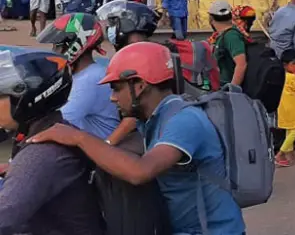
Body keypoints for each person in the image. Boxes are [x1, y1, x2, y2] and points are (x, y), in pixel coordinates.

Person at [28, 42, 246, 234]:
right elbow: (120, 156)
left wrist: (78, 138)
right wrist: (32, 167)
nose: (112, 98)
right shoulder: (154, 119)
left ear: (140, 86)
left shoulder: (184, 120)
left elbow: (139, 171)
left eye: (116, 89)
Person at [0, 49, 106, 234]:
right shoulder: (54, 128)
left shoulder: (40, 154)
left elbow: (4, 219)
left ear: (26, 101)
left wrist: (22, 169)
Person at [37, 13, 137, 144]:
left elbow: (57, 123)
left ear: (75, 44)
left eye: (58, 46)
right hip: (88, 145)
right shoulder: (83, 74)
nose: (55, 50)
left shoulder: (90, 79)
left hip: (95, 150)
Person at [209, 0, 249, 86]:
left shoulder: (231, 36)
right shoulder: (222, 36)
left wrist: (232, 90)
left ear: (211, 19)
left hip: (226, 90)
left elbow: (241, 65)